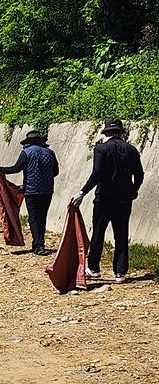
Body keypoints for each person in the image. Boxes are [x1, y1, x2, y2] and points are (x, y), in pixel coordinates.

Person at [72, 119, 144, 282]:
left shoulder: (101, 149)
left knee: (98, 233)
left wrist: (82, 192)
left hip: (104, 198)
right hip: (124, 200)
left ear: (106, 134)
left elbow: (97, 173)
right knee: (121, 233)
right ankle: (120, 272)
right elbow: (139, 174)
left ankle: (94, 269)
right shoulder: (131, 150)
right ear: (120, 133)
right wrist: (134, 190)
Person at [0, 130, 60, 255]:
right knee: (42, 217)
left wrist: (0, 169)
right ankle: (39, 243)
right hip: (47, 191)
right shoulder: (50, 153)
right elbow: (55, 172)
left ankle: (38, 245)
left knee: (33, 218)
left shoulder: (26, 152)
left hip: (31, 191)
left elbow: (16, 168)